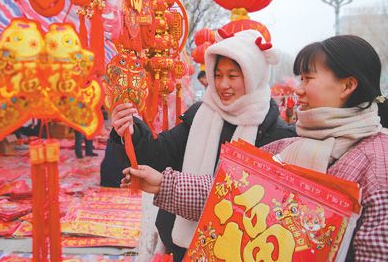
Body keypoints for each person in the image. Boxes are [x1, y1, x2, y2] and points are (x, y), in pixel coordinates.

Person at [122, 35, 388, 261]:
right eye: (218, 75)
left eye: (308, 79)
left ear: (348, 85)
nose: (299, 89)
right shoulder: (289, 145)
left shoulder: (376, 162)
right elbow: (230, 194)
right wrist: (162, 183)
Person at [101, 29, 296, 261]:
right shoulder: (200, 115)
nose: (223, 84)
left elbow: (250, 201)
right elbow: (158, 156)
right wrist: (131, 129)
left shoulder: (276, 135)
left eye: (233, 76)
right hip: (182, 248)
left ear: (253, 76)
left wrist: (167, 185)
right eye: (218, 74)